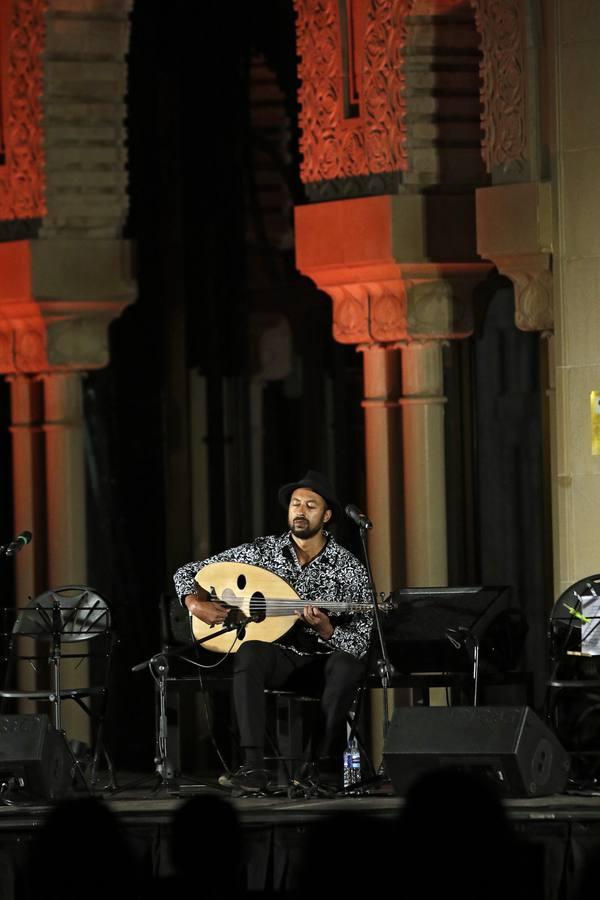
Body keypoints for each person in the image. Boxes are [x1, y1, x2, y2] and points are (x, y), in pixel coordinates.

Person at [173, 470, 373, 795]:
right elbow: (188, 571)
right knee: (251, 650)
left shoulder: (348, 567)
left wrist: (327, 630)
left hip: (322, 666)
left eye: (310, 505)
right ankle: (253, 768)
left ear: (327, 515)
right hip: (281, 660)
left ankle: (320, 769)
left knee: (349, 665)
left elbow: (361, 642)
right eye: (296, 504)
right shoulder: (263, 552)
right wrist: (194, 603)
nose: (300, 511)